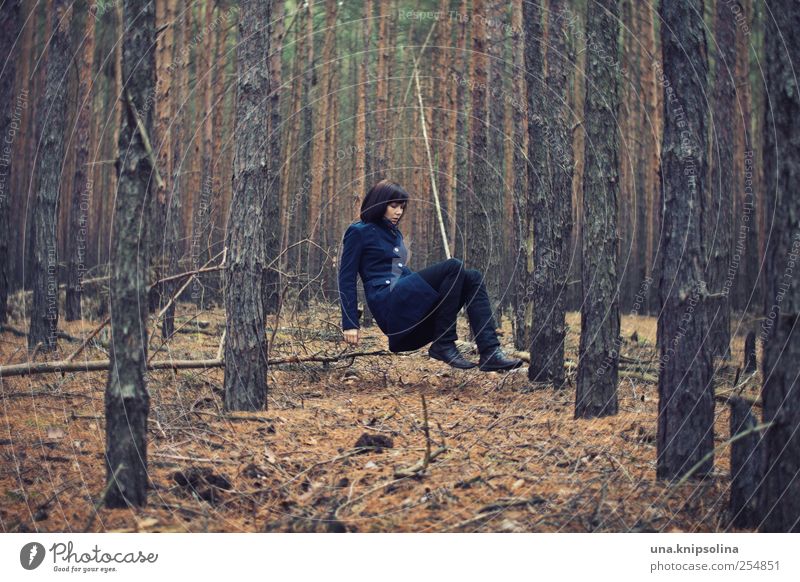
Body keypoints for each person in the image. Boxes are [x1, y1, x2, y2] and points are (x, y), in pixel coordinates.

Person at [337, 179, 522, 372]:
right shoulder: (358, 231)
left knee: (472, 277)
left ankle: (490, 351)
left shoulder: (395, 234)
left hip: (406, 307)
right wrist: (350, 323)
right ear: (379, 203)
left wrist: (439, 289)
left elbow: (400, 272)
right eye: (393, 206)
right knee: (453, 266)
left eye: (402, 207)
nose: (399, 212)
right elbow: (346, 278)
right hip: (388, 305)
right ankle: (445, 342)